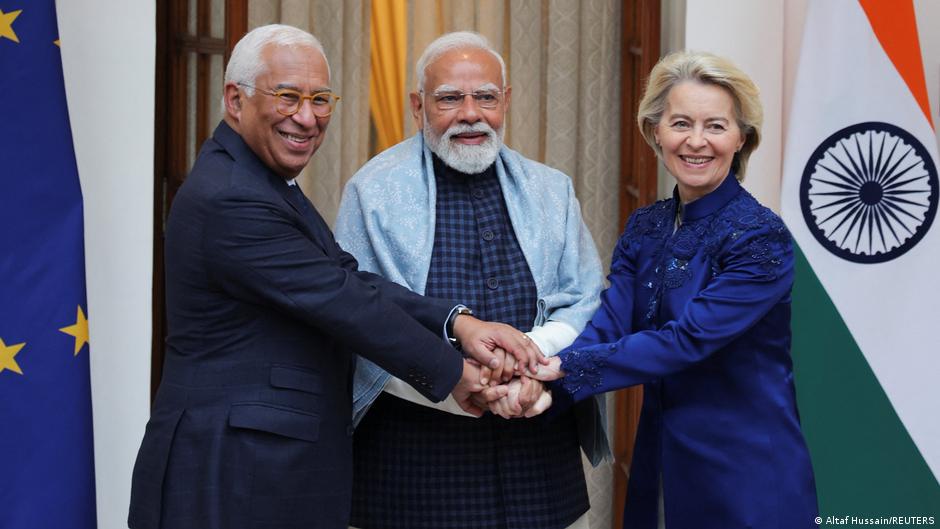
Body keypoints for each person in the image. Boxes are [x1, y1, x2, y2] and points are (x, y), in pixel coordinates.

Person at [127, 24, 544, 529]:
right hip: (232, 471)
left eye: (320, 98)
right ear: (235, 101)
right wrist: (456, 374)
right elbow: (343, 302)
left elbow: (347, 278)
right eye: (287, 97)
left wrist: (461, 324)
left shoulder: (262, 180)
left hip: (265, 466)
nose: (307, 117)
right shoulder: (232, 196)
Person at [335, 31, 610, 529]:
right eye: (449, 99)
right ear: (418, 106)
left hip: (539, 467)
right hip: (412, 474)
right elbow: (359, 319)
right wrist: (471, 382)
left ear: (505, 102)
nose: (470, 113)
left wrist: (531, 364)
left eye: (485, 96)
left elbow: (585, 301)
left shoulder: (551, 190)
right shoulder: (372, 192)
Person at [533, 51, 819, 528]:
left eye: (716, 126)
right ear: (655, 131)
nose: (697, 141)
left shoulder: (760, 237)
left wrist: (560, 371)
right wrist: (541, 379)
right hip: (661, 457)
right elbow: (609, 321)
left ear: (741, 139)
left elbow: (687, 341)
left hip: (746, 470)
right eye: (681, 123)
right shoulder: (646, 226)